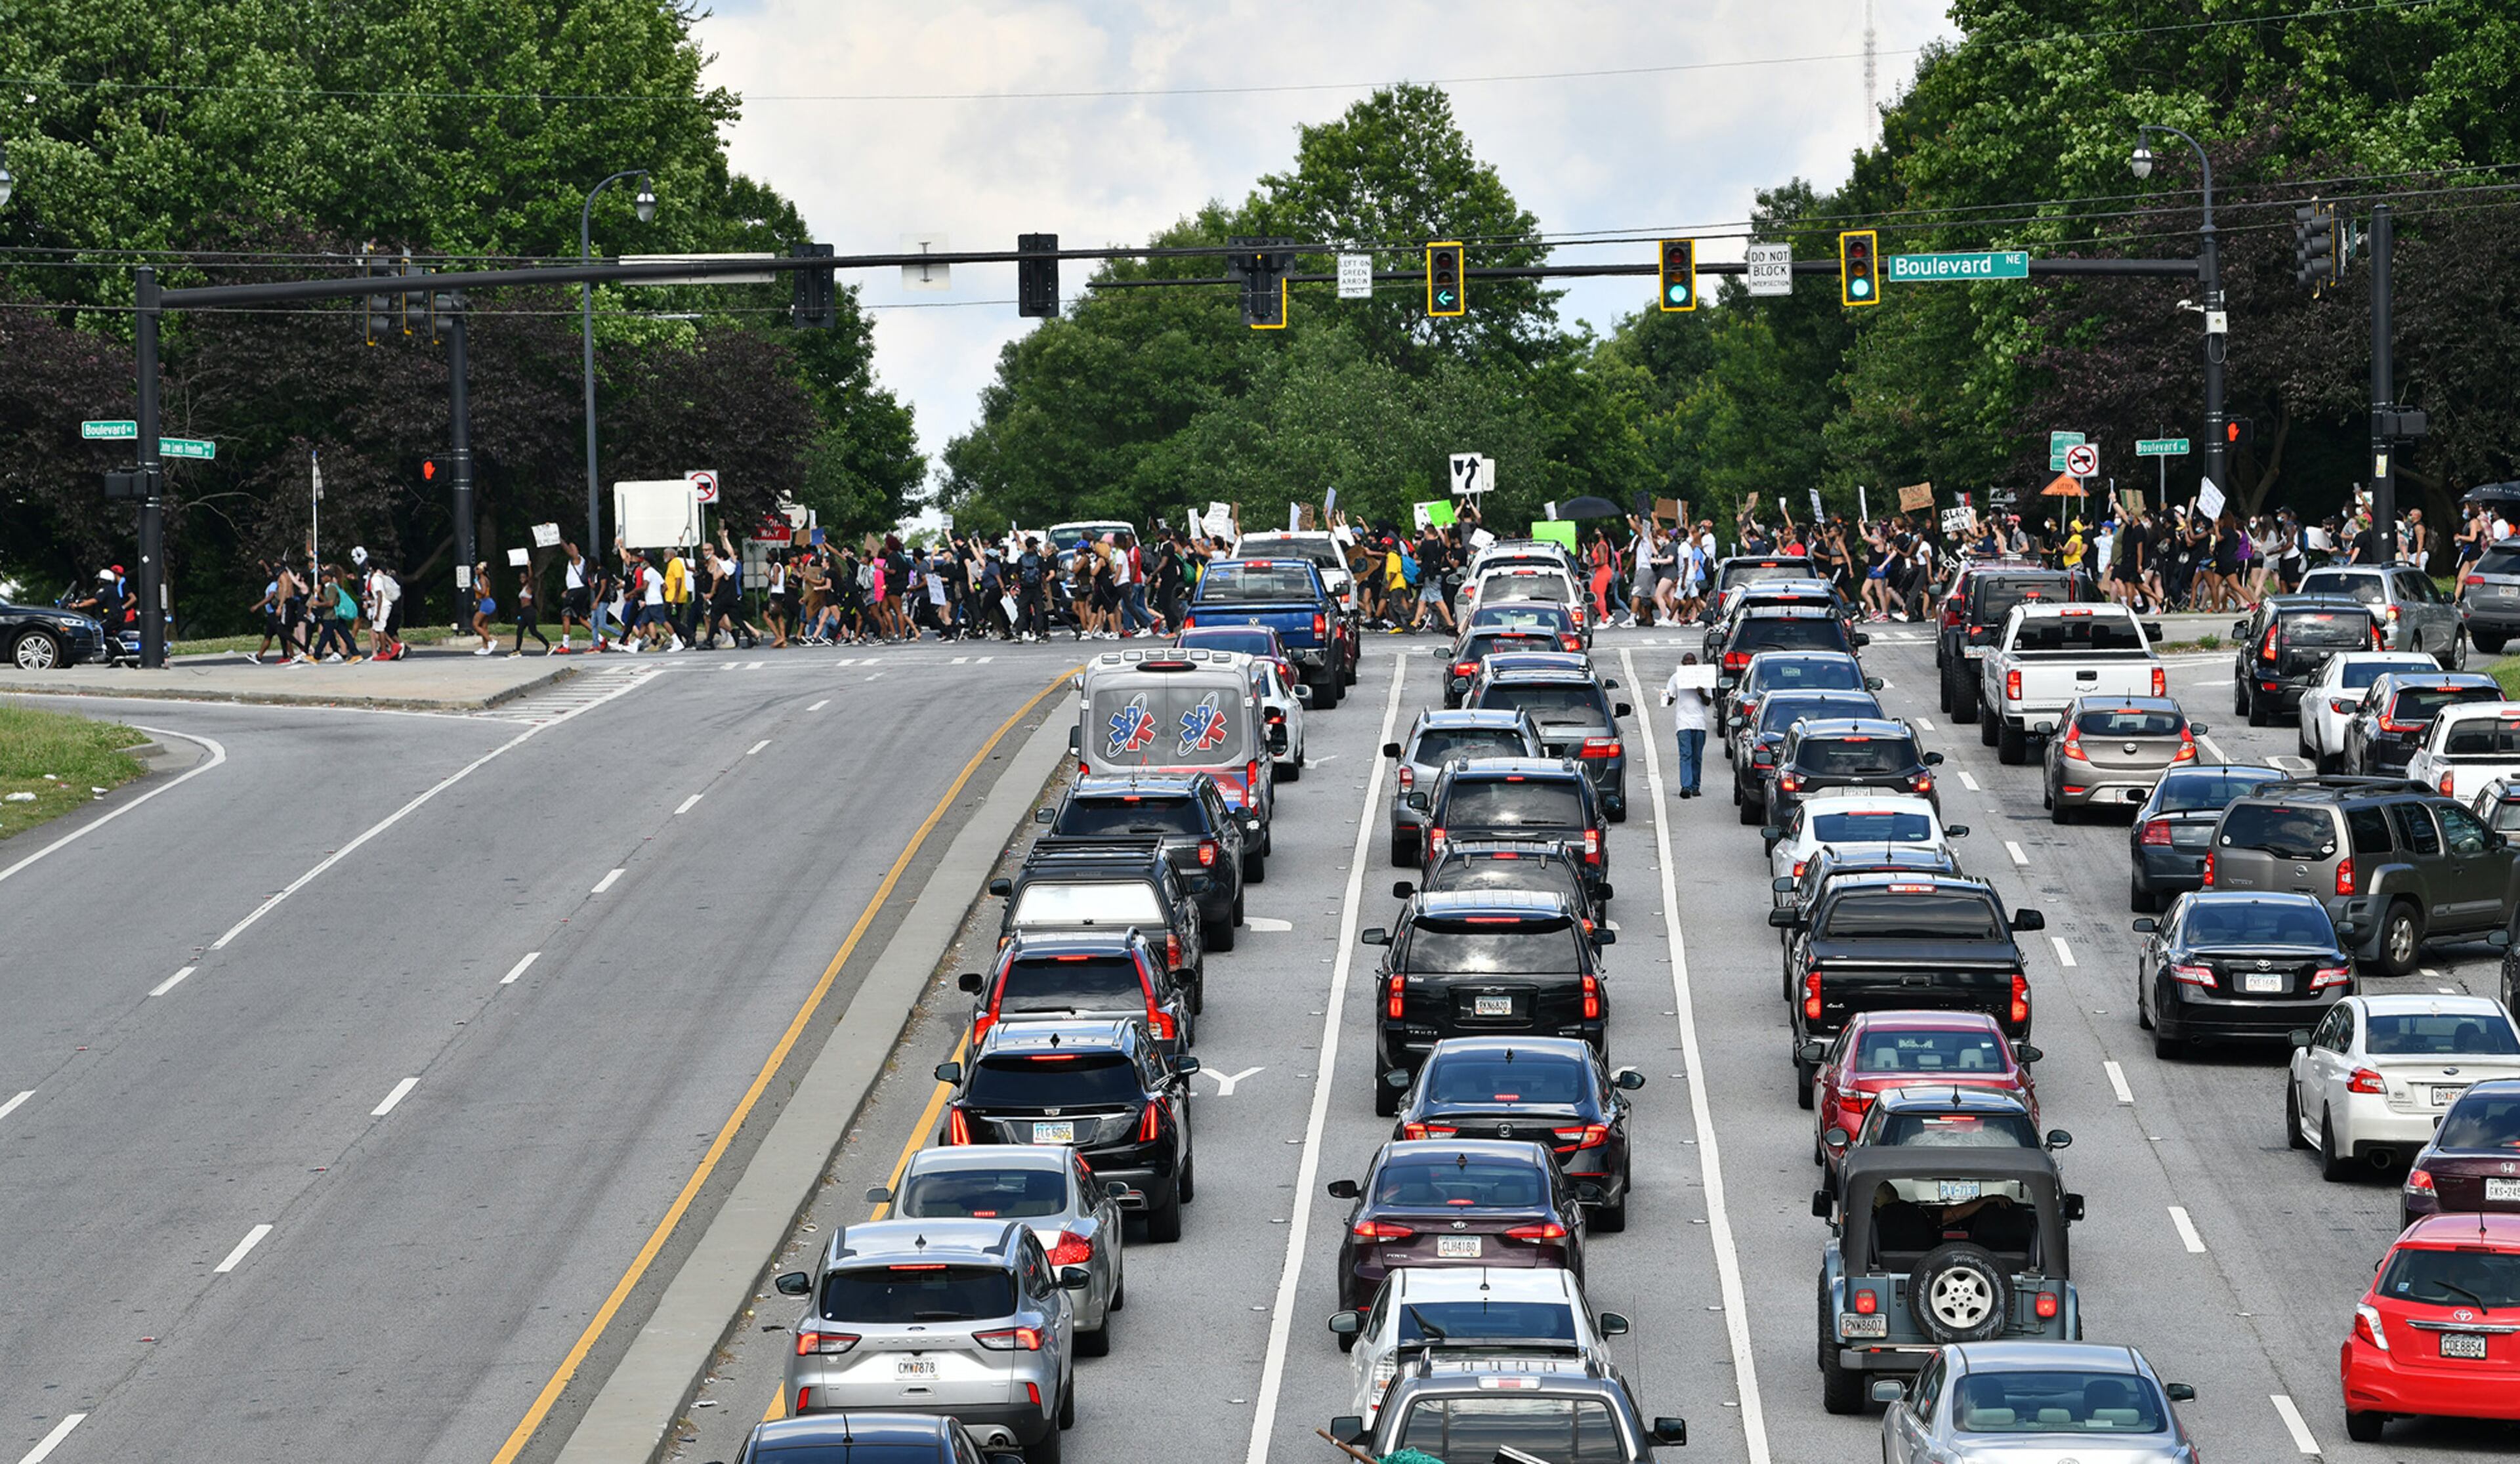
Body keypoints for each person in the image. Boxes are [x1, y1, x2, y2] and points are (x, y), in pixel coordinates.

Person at [1661, 652, 1712, 798]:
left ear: (1696, 663)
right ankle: (1686, 787)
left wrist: (1701, 693)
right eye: (1687, 661)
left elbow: (1708, 702)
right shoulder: (1676, 678)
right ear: (1682, 663)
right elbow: (1668, 700)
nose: (1689, 663)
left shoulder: (1704, 678)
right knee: (1686, 755)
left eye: (1692, 661)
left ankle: (1696, 786)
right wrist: (1669, 698)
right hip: (1683, 723)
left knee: (1697, 756)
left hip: (1700, 723)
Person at [558, 542, 591, 652]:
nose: (571, 549)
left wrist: (559, 539)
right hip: (576, 591)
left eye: (573, 547)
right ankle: (600, 639)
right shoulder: (574, 562)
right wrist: (568, 591)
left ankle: (566, 645)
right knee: (581, 618)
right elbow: (574, 580)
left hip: (576, 591)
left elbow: (570, 552)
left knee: (566, 615)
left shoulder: (578, 559)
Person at [510, 566, 551, 656]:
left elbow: (531, 577)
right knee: (519, 631)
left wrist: (529, 567)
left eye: (524, 577)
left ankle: (548, 645)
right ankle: (517, 650)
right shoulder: (523, 588)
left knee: (533, 631)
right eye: (520, 577)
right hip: (524, 612)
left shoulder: (529, 587)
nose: (522, 579)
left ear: (527, 578)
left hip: (529, 611)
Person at [469, 562, 499, 654]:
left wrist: (475, 589)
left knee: (475, 624)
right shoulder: (481, 579)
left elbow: (483, 591)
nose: (476, 570)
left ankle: (491, 641)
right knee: (484, 626)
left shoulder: (482, 579)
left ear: (482, 571)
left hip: (486, 603)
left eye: (478, 569)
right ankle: (485, 647)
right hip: (485, 603)